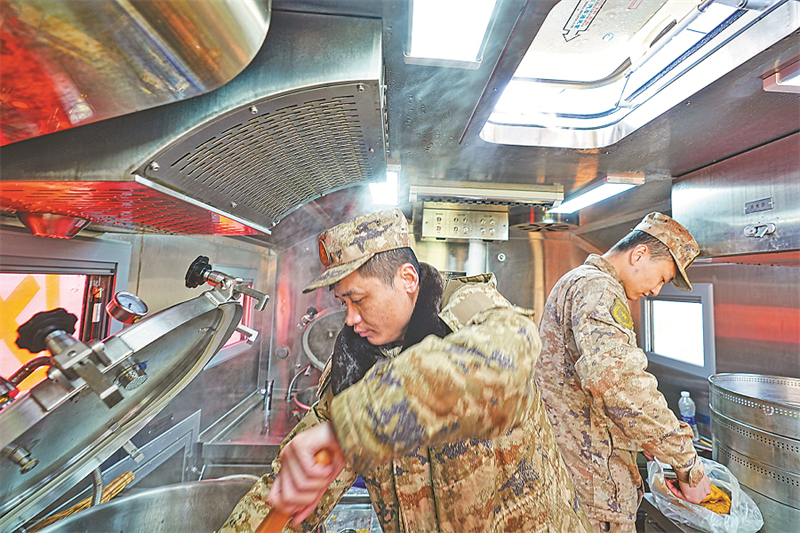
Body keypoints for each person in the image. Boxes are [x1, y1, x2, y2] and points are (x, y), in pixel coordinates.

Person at [218, 208, 592, 533]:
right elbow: (293, 485)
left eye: (358, 299)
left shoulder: (466, 312)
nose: (349, 320)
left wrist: (356, 426)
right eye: (343, 302)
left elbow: (506, 362)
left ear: (408, 280)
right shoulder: (355, 362)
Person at [534, 212, 713, 533]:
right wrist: (687, 460)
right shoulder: (599, 290)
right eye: (661, 277)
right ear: (639, 253)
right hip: (594, 486)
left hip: (570, 474)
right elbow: (617, 383)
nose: (657, 290)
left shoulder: (576, 280)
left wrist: (644, 434)